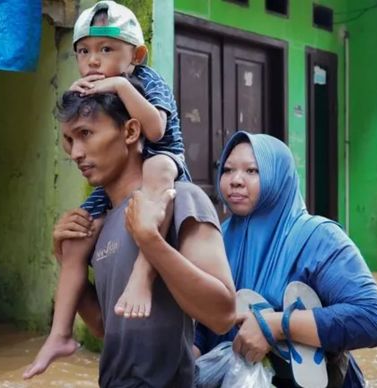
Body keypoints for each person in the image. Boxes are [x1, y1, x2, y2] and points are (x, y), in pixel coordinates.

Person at [24, 0, 192, 379]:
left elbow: (156, 132)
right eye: (83, 51)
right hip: (120, 369)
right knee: (75, 236)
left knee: (158, 171)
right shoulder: (86, 89)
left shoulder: (146, 81)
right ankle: (60, 333)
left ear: (137, 55)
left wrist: (119, 85)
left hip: (162, 158)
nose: (93, 61)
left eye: (105, 50)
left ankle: (142, 276)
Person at [27, 86, 236, 385]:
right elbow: (105, 325)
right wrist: (64, 257)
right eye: (69, 140)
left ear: (130, 131)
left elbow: (222, 314)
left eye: (86, 134)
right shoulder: (99, 224)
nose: (76, 153)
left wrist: (151, 242)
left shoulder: (181, 199)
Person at [194, 131, 377, 387]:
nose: (236, 180)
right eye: (228, 170)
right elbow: (207, 318)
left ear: (279, 176)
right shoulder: (217, 238)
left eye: (252, 171)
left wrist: (276, 326)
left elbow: (374, 319)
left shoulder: (319, 238)